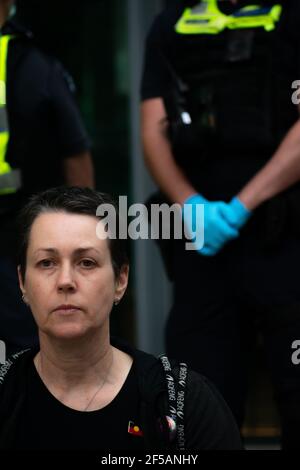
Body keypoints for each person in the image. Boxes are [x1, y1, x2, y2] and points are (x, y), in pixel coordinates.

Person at [141, 0, 300, 448]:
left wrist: (240, 207)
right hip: (204, 249)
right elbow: (153, 127)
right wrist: (191, 204)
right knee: (196, 407)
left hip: (285, 239)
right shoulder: (172, 23)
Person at [0, 186, 242, 451]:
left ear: (121, 279)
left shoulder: (184, 404)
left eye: (86, 263)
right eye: (47, 263)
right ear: (22, 281)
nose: (65, 281)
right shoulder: (6, 395)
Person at [0, 0, 94, 357]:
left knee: (25, 361)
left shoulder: (34, 66)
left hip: (20, 240)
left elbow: (76, 157)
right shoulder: (37, 65)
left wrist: (81, 240)